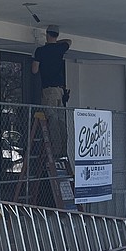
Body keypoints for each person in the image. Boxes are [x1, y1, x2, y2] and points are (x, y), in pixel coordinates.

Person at [32, 25, 72, 157]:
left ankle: (54, 152)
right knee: (61, 121)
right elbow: (69, 41)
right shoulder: (60, 48)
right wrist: (56, 43)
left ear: (47, 34)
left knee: (53, 120)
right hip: (61, 91)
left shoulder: (41, 51)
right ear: (57, 35)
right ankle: (63, 151)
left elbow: (34, 70)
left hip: (49, 91)